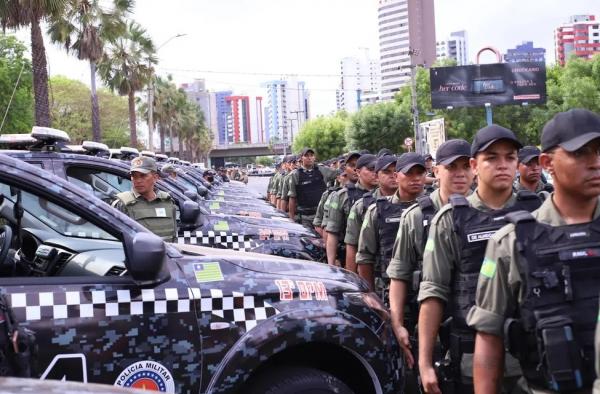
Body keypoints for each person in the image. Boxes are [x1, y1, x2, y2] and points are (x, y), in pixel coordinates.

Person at [468, 109, 600, 394]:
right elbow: (489, 338)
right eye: (581, 153)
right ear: (547, 162)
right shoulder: (511, 242)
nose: (595, 163)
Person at [417, 125, 542, 394]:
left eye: (510, 157)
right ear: (475, 165)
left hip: (534, 358)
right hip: (471, 357)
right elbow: (433, 292)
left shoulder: (537, 212)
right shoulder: (450, 220)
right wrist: (425, 362)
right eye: (492, 158)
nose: (503, 165)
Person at [387, 140, 474, 373]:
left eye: (465, 166)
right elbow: (399, 275)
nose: (460, 174)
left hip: (477, 328)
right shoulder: (415, 217)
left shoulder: (486, 213)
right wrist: (397, 323)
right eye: (451, 167)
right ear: (436, 171)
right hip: (431, 331)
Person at [356, 152, 426, 303]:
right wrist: (370, 296)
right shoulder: (377, 210)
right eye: (409, 173)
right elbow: (364, 257)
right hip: (387, 292)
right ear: (397, 176)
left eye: (420, 173)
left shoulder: (436, 208)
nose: (415, 178)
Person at [344, 154, 397, 273]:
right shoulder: (363, 205)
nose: (393, 176)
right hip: (376, 275)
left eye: (396, 171)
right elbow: (352, 245)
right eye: (387, 172)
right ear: (377, 175)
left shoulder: (415, 204)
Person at [326, 153, 378, 267]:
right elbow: (332, 232)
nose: (375, 173)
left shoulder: (384, 194)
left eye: (377, 169)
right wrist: (332, 263)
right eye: (371, 169)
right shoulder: (342, 196)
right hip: (350, 256)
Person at [112, 156, 177, 242]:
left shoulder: (167, 202)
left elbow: (174, 238)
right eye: (134, 176)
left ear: (155, 177)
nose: (138, 180)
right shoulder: (123, 204)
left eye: (143, 176)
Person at [288, 148, 337, 228]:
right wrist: (291, 218)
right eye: (306, 156)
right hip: (305, 217)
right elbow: (292, 197)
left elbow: (339, 174)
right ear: (301, 158)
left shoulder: (322, 170)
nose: (309, 158)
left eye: (311, 155)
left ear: (314, 157)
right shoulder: (295, 174)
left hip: (322, 216)